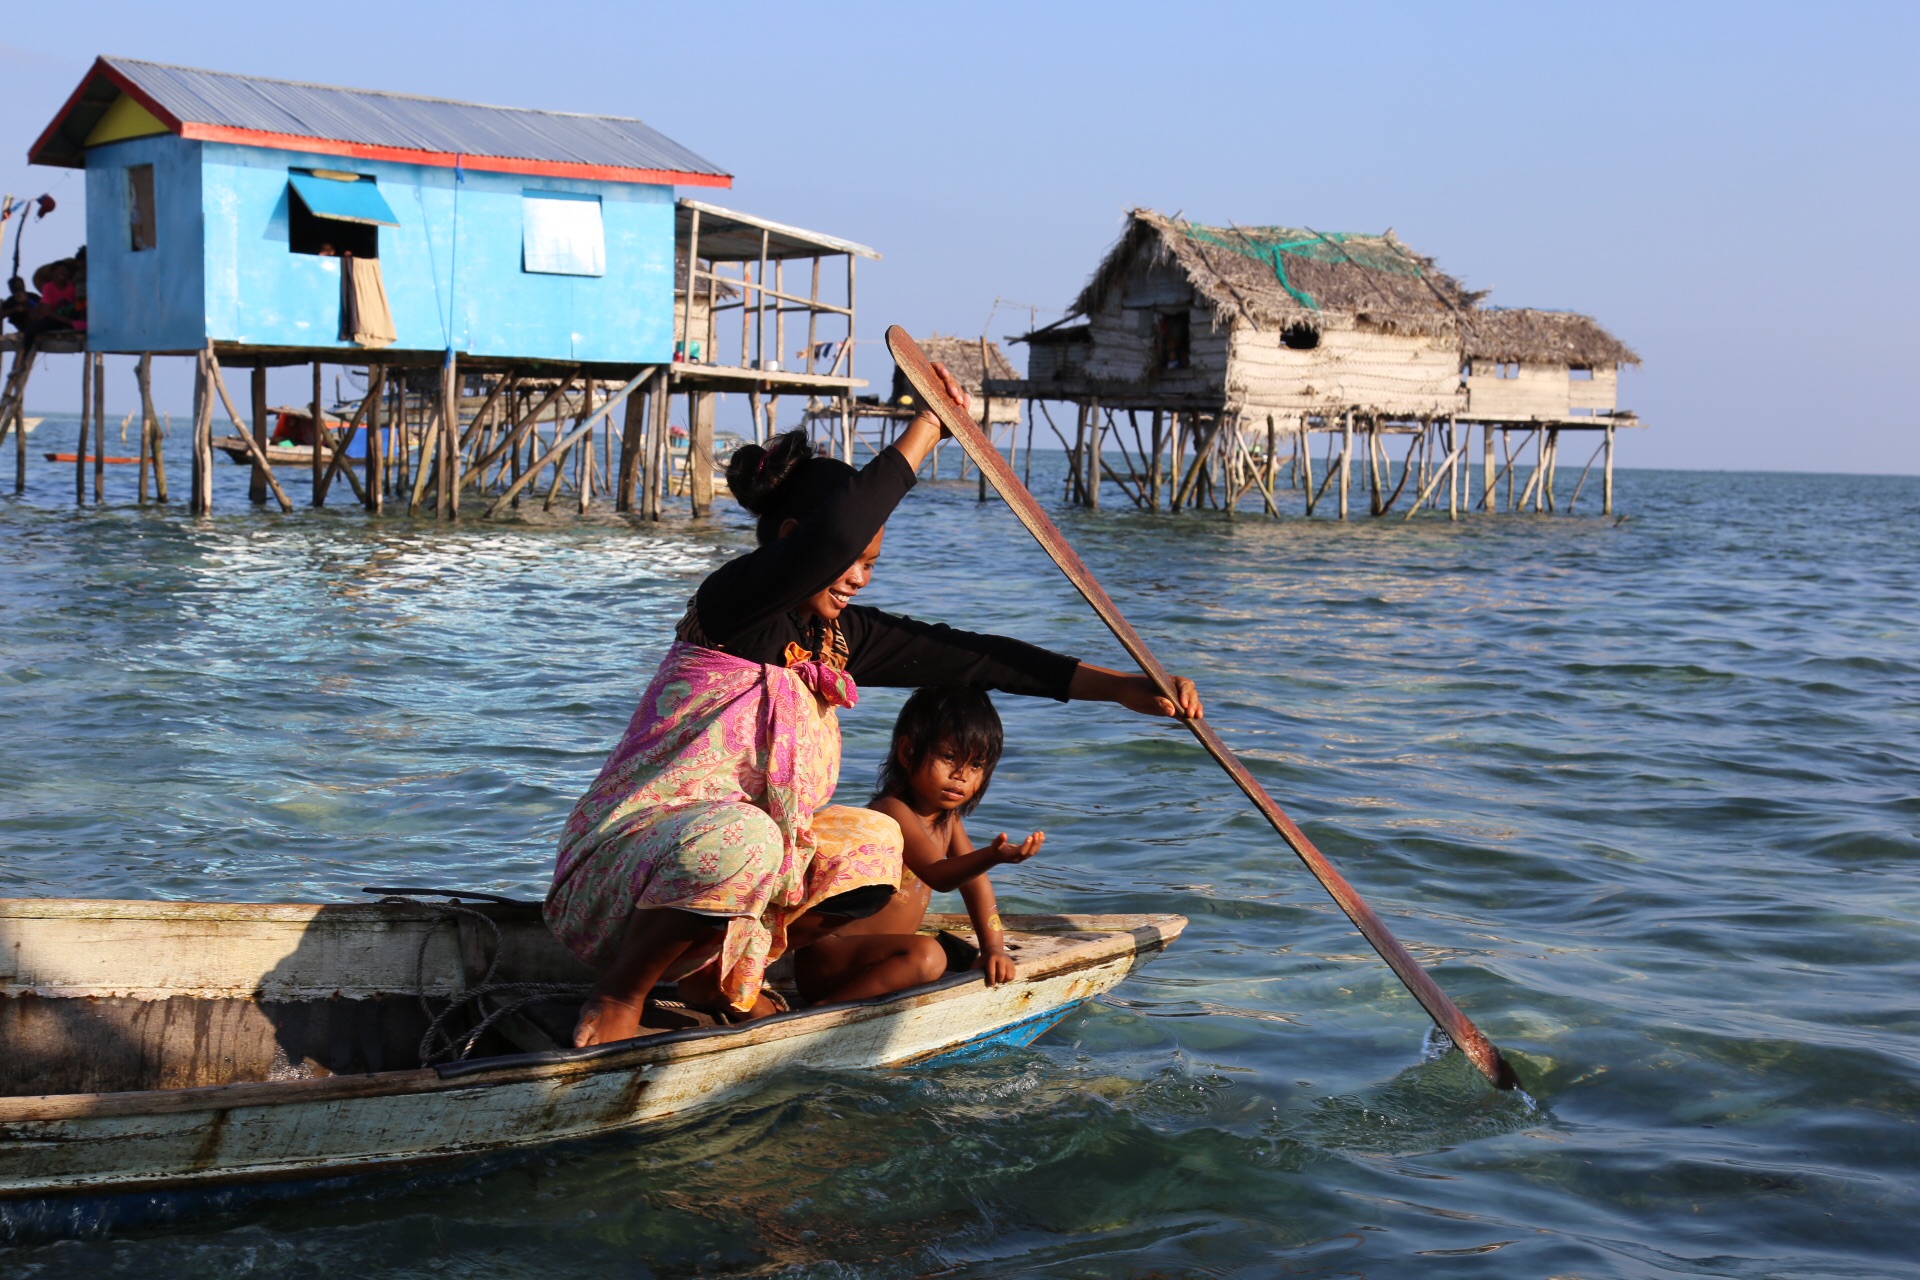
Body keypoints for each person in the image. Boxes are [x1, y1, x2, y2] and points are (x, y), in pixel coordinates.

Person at [545, 364, 1203, 1048]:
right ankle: (620, 993)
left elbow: (978, 657)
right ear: (793, 537)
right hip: (625, 868)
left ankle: (721, 976)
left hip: (732, 874)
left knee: (875, 843)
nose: (858, 578)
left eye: (872, 564)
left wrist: (1122, 688)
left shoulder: (835, 637)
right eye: (850, 560)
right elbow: (829, 540)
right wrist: (928, 428)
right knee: (747, 838)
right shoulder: (734, 602)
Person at [794, 687, 1041, 1003]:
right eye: (949, 757)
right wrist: (992, 856)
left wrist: (993, 948)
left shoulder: (947, 820)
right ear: (908, 752)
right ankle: (825, 1013)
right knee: (930, 956)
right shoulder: (892, 810)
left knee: (941, 957)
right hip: (829, 961)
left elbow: (975, 884)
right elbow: (939, 876)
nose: (960, 776)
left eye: (976, 765)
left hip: (880, 963)